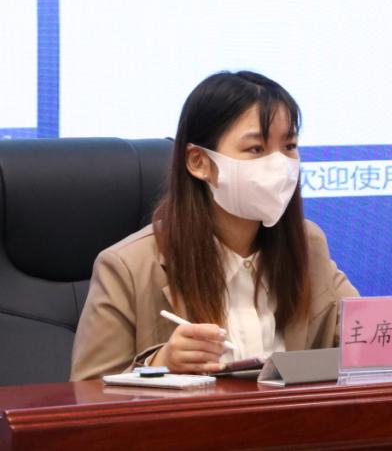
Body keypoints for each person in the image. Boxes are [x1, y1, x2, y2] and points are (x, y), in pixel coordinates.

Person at [71, 71, 358, 379]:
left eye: (289, 146)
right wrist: (158, 364)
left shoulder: (308, 243)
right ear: (198, 161)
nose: (279, 165)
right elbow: (86, 392)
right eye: (256, 149)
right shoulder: (128, 267)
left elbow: (368, 338)